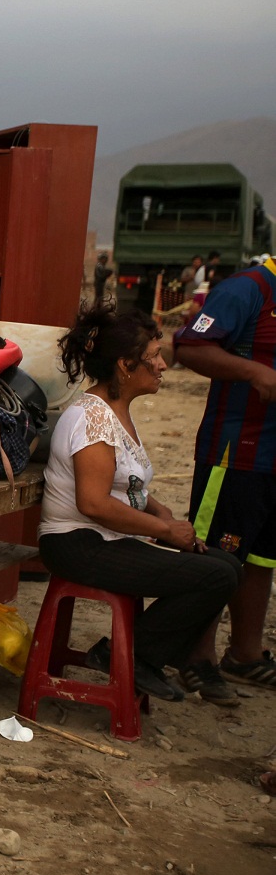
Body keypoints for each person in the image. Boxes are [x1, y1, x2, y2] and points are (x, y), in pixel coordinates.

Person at [39, 304, 240, 701]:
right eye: (154, 357)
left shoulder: (114, 412)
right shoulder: (91, 419)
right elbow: (94, 503)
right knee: (215, 577)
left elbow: (121, 484)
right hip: (76, 543)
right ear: (127, 366)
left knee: (227, 564)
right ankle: (126, 656)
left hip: (101, 538)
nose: (164, 366)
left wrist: (157, 509)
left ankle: (138, 656)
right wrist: (165, 530)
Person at [175, 253, 276, 694]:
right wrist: (255, 371)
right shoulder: (248, 289)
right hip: (236, 453)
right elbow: (189, 346)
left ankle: (246, 654)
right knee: (216, 553)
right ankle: (196, 656)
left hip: (274, 458)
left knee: (262, 556)